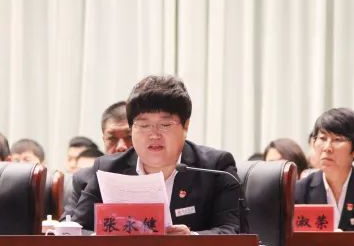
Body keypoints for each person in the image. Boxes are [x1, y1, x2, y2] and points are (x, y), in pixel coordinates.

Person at [71, 75, 241, 234]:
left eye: (165, 125)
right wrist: (103, 240)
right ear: (131, 128)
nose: (154, 135)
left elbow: (233, 231)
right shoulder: (108, 168)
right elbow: (75, 231)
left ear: (185, 126)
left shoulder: (216, 168)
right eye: (144, 126)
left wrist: (191, 240)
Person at [61, 101, 133, 218]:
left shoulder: (156, 173)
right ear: (104, 140)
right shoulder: (85, 178)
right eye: (112, 138)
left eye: (129, 137)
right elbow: (68, 223)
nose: (121, 146)